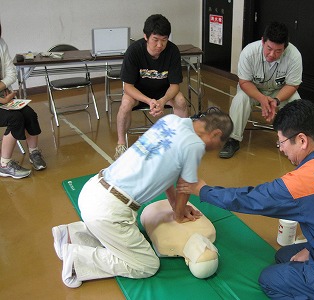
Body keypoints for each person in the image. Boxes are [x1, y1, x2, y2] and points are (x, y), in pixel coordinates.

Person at [178, 99, 314, 299]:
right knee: (283, 256)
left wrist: (203, 190)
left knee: (269, 280)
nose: (281, 149)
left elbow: (248, 199)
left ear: (302, 140)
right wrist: (312, 250)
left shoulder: (300, 184)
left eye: (282, 142)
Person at [51, 110, 233, 288]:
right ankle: (76, 260)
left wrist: (174, 206)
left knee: (112, 233)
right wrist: (178, 215)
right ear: (216, 133)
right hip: (109, 210)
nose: (213, 150)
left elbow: (167, 172)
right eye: (218, 144)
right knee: (146, 265)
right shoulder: (195, 146)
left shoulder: (172, 120)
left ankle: (70, 234)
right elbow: (185, 186)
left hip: (94, 189)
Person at [220, 21, 302, 159]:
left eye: (278, 51)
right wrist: (262, 98)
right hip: (253, 90)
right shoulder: (249, 52)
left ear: (285, 48)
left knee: (296, 103)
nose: (272, 54)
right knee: (240, 99)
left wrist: (275, 100)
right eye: (269, 48)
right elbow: (244, 82)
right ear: (263, 41)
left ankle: (289, 141)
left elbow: (293, 85)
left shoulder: (294, 56)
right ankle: (232, 139)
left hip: (279, 91)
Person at [115, 14, 188, 159]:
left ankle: (179, 142)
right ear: (146, 37)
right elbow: (127, 87)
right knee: (125, 104)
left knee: (181, 101)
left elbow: (174, 86)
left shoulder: (173, 51)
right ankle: (121, 143)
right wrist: (149, 101)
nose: (160, 45)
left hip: (163, 92)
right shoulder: (134, 51)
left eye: (164, 40)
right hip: (138, 92)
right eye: (155, 40)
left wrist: (162, 100)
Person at [0, 21, 46, 179]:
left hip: (3, 96)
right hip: (2, 98)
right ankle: (4, 164)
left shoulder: (1, 43)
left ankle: (34, 153)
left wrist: (3, 94)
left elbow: (11, 73)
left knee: (29, 114)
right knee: (15, 118)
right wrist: (2, 100)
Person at [140, 199, 219, 279]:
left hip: (149, 209)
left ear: (187, 261)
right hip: (151, 208)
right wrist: (177, 205)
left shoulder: (165, 244)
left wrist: (176, 205)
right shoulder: (209, 231)